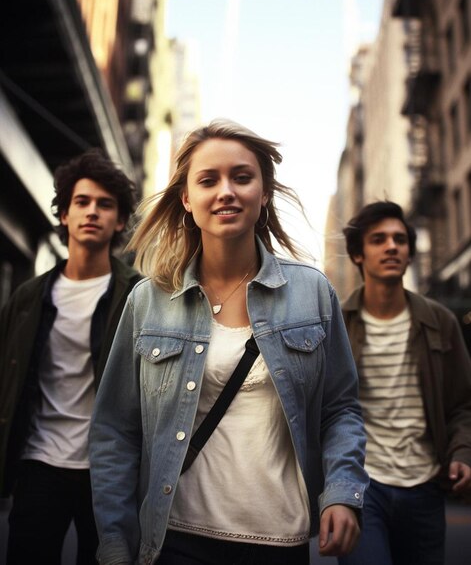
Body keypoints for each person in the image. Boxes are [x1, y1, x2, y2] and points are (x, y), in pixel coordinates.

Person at [89, 119, 368, 565]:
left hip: (278, 539)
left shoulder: (311, 293)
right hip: (174, 538)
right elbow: (115, 431)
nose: (226, 191)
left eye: (242, 177)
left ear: (264, 193)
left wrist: (341, 491)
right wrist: (116, 543)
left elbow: (340, 409)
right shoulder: (148, 300)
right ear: (186, 198)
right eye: (208, 180)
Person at [0, 149, 141, 565]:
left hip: (110, 471)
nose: (92, 212)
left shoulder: (137, 296)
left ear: (119, 221)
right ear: (64, 215)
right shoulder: (28, 298)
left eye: (104, 204)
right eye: (81, 202)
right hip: (40, 461)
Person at [339, 200, 471, 565]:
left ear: (410, 253)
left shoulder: (439, 321)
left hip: (425, 488)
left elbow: (463, 404)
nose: (392, 246)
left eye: (399, 239)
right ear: (358, 255)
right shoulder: (339, 324)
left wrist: (463, 453)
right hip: (361, 488)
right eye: (378, 239)